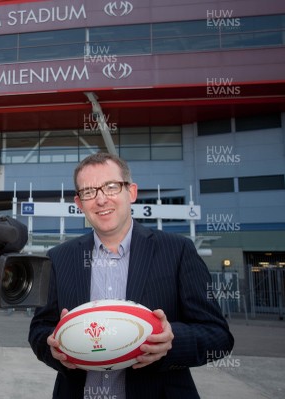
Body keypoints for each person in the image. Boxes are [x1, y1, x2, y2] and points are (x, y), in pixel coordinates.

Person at [28, 152, 234, 399]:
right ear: (79, 203)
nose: (101, 199)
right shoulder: (59, 258)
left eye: (111, 187)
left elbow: (218, 335)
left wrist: (171, 341)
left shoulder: (177, 251)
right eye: (89, 192)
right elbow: (39, 329)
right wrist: (54, 348)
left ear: (131, 192)